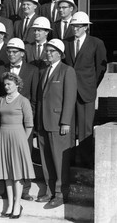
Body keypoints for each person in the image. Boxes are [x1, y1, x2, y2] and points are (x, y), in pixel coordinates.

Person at [36, 39, 77, 208]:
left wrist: (65, 121)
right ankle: (49, 190)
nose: (48, 53)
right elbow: (40, 99)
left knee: (59, 159)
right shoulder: (44, 71)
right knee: (46, 159)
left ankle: (60, 193)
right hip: (43, 123)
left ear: (59, 54)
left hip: (59, 123)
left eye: (52, 51)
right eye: (47, 50)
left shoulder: (67, 71)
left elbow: (70, 98)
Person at [64, 12, 107, 168]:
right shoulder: (66, 43)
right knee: (67, 127)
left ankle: (85, 161)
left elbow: (101, 67)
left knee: (85, 129)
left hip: (86, 91)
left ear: (86, 27)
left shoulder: (96, 43)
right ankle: (69, 160)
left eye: (78, 26)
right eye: (73, 26)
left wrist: (91, 85)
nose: (75, 29)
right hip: (68, 92)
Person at [0, 72, 36, 219]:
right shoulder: (0, 99)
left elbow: (29, 124)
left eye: (9, 84)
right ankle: (10, 204)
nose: (6, 87)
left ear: (17, 85)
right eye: (5, 84)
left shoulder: (23, 101)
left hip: (18, 137)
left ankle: (17, 204)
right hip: (3, 136)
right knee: (7, 172)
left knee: (17, 173)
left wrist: (23, 141)